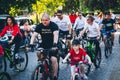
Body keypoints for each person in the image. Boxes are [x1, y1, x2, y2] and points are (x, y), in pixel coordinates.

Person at [30, 13, 59, 80]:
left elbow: (56, 34)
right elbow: (34, 35)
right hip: (43, 44)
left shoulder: (53, 25)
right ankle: (42, 66)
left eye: (46, 20)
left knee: (53, 60)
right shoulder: (40, 26)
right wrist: (31, 44)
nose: (44, 22)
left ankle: (54, 76)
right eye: (42, 20)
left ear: (49, 20)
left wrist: (55, 43)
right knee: (39, 53)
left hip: (53, 45)